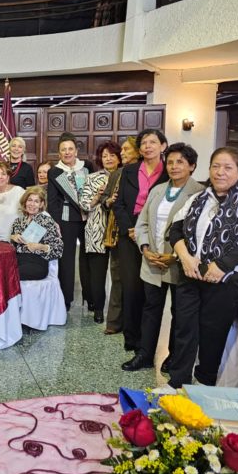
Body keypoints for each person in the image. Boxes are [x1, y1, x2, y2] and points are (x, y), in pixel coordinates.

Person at [167, 147, 238, 388]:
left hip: (229, 277)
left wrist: (222, 265)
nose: (220, 172)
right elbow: (175, 230)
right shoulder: (198, 198)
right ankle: (178, 380)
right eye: (216, 166)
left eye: (228, 168)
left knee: (213, 331)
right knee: (184, 328)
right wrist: (185, 257)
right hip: (192, 272)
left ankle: (205, 381)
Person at [122, 143, 203, 373]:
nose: (174, 166)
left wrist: (175, 256)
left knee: (180, 312)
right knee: (150, 309)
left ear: (192, 166)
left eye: (180, 162)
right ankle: (145, 354)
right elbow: (143, 223)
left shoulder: (199, 193)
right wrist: (145, 248)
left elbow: (198, 232)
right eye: (170, 162)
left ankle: (173, 357)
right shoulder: (158, 190)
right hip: (152, 260)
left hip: (179, 263)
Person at [113, 128, 168, 352]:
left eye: (152, 142)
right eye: (144, 143)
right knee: (131, 286)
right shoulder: (129, 170)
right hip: (130, 231)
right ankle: (131, 337)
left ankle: (148, 342)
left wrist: (145, 230)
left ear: (162, 146)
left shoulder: (169, 172)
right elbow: (119, 203)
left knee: (151, 289)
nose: (147, 146)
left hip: (157, 231)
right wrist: (130, 228)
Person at [47, 132, 94, 311]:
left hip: (88, 219)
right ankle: (65, 299)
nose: (67, 153)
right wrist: (56, 223)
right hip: (66, 220)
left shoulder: (87, 166)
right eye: (63, 150)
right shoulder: (55, 171)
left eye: (70, 149)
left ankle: (91, 298)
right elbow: (52, 201)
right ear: (59, 153)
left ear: (76, 150)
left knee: (88, 258)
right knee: (66, 261)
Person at [79, 141, 122, 324]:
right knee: (97, 273)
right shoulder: (93, 178)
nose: (108, 159)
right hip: (97, 229)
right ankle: (98, 308)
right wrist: (98, 194)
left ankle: (120, 311)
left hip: (119, 231)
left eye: (112, 155)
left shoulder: (126, 175)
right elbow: (84, 204)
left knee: (120, 274)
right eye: (104, 156)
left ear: (119, 157)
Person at [102, 137, 140, 334]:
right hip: (117, 231)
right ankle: (114, 322)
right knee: (117, 276)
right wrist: (110, 200)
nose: (122, 153)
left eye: (126, 150)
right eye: (122, 150)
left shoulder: (144, 173)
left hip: (140, 232)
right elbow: (105, 201)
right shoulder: (117, 173)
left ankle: (132, 322)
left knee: (136, 281)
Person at [10, 186, 64, 280]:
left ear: (41, 204)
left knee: (11, 274)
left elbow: (58, 249)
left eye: (36, 201)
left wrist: (40, 247)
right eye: (30, 200)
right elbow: (12, 249)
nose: (32, 204)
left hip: (37, 262)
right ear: (25, 202)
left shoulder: (47, 221)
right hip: (19, 260)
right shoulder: (18, 221)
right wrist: (13, 237)